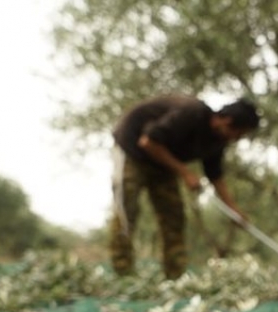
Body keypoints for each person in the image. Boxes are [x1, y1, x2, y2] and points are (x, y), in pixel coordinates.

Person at [109, 95, 261, 279]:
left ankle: (175, 276)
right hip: (133, 151)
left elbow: (216, 176)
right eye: (239, 133)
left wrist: (234, 210)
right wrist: (185, 173)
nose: (237, 139)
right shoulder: (192, 113)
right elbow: (148, 142)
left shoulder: (217, 141)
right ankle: (123, 272)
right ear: (227, 122)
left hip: (163, 162)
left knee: (173, 216)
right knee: (127, 209)